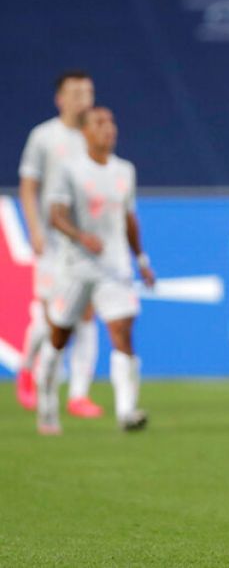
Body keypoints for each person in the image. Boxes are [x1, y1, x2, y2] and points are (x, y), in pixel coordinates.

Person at [37, 106, 156, 434]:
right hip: (76, 268)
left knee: (122, 332)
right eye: (100, 123)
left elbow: (128, 219)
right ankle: (47, 405)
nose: (108, 128)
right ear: (85, 132)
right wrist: (80, 236)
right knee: (59, 336)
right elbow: (56, 214)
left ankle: (126, 411)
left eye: (111, 122)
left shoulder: (124, 171)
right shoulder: (70, 170)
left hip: (114, 267)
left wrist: (141, 260)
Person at [16, 71, 103, 418]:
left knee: (86, 314)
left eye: (89, 92)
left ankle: (78, 394)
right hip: (53, 241)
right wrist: (35, 229)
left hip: (84, 243)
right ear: (61, 99)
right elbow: (28, 186)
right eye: (77, 93)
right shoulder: (44, 137)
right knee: (51, 317)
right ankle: (27, 368)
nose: (85, 99)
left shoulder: (95, 134)